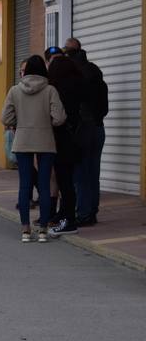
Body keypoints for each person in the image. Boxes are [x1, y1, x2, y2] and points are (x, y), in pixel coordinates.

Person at [2, 54, 65, 243]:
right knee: (44, 185)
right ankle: (44, 230)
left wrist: (17, 123)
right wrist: (48, 123)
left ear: (26, 70)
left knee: (25, 186)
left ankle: (25, 230)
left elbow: (5, 118)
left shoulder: (15, 90)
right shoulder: (50, 90)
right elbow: (60, 117)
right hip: (45, 140)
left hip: (22, 141)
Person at [63, 37, 108, 227]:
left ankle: (82, 213)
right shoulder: (96, 73)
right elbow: (104, 107)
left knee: (80, 173)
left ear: (68, 53)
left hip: (82, 129)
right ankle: (92, 212)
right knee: (93, 172)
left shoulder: (73, 74)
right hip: (98, 128)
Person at [46, 49, 86, 237]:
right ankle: (66, 215)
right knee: (71, 179)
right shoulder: (80, 85)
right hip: (78, 137)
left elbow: (57, 117)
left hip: (62, 139)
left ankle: (68, 221)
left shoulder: (56, 90)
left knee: (65, 181)